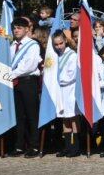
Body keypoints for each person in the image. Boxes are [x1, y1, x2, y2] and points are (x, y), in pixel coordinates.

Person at [9, 17, 42, 156]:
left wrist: (10, 74)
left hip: (28, 82)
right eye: (15, 28)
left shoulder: (33, 45)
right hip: (15, 82)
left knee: (31, 115)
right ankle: (20, 145)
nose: (16, 30)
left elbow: (28, 65)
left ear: (27, 29)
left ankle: (34, 146)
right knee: (18, 116)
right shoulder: (11, 46)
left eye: (19, 28)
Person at [49, 30, 81, 158]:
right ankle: (67, 146)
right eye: (56, 44)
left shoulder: (72, 55)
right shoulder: (55, 56)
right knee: (64, 118)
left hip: (70, 89)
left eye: (61, 43)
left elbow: (72, 74)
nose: (59, 46)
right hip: (60, 91)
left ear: (65, 41)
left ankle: (76, 147)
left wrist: (57, 79)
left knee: (73, 117)